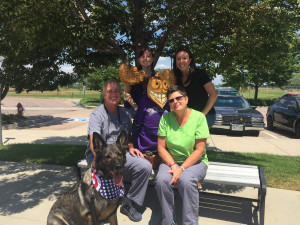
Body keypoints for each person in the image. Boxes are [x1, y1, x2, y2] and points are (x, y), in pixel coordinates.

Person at [85, 78, 152, 222]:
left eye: (117, 91)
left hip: (119, 155)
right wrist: (97, 158)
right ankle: (100, 209)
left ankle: (128, 202)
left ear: (120, 94)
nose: (113, 94)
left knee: (145, 166)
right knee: (103, 181)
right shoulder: (97, 115)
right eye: (110, 91)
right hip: (100, 156)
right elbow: (93, 142)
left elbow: (127, 137)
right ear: (104, 94)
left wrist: (132, 147)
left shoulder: (124, 114)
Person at [155, 85, 210, 225]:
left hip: (195, 162)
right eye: (171, 100)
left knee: (186, 180)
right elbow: (161, 148)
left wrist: (181, 168)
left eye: (178, 98)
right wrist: (174, 165)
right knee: (161, 180)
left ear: (186, 99)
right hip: (171, 161)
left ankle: (190, 222)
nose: (175, 102)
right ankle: (168, 221)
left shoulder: (199, 118)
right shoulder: (165, 119)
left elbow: (199, 150)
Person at [173, 46, 218, 128]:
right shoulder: (175, 78)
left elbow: (213, 94)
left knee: (195, 140)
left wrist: (202, 115)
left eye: (184, 58)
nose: (181, 61)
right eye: (178, 59)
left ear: (190, 60)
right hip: (188, 117)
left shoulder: (199, 74)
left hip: (206, 115)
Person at [123, 47, 156, 119]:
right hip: (133, 108)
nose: (145, 59)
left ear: (152, 58)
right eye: (142, 57)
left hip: (150, 109)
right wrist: (135, 106)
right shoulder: (132, 74)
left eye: (148, 56)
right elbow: (126, 93)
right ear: (139, 59)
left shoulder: (157, 75)